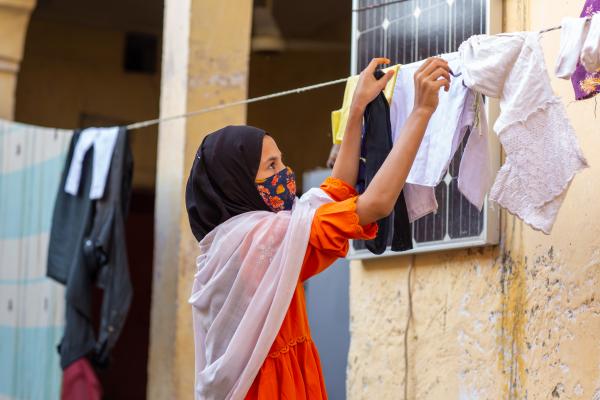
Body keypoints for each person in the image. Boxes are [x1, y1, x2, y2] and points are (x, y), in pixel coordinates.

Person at [185, 56, 450, 400]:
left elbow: (333, 193)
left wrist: (356, 110)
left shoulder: (233, 242)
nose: (285, 171)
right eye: (271, 165)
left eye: (280, 159)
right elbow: (376, 203)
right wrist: (421, 112)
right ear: (237, 183)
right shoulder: (261, 240)